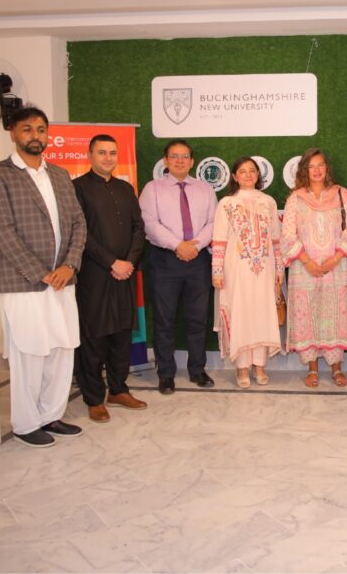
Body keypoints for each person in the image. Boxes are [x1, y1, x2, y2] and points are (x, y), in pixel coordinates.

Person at [0, 106, 87, 447]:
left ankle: (51, 415)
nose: (35, 136)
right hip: (23, 282)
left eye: (41, 130)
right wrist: (42, 273)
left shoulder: (60, 175)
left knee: (62, 348)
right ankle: (26, 424)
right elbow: (2, 230)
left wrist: (69, 266)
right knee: (29, 353)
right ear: (12, 132)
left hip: (63, 279)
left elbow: (78, 223)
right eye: (27, 129)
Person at [72, 134, 147, 422]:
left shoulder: (125, 188)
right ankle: (94, 398)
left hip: (125, 273)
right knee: (94, 337)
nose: (108, 157)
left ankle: (118, 390)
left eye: (112, 153)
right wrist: (111, 262)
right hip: (94, 275)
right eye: (102, 152)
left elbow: (138, 229)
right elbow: (81, 233)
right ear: (89, 155)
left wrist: (129, 262)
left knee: (121, 334)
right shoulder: (77, 188)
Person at [139, 139, 218, 394]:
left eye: (184, 156)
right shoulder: (152, 189)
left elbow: (214, 222)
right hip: (164, 261)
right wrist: (178, 246)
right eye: (174, 156)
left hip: (198, 260)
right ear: (165, 160)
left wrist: (195, 246)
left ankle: (197, 370)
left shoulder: (205, 189)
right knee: (164, 320)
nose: (180, 161)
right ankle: (166, 374)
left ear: (192, 161)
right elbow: (149, 223)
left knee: (198, 319)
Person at [282, 148, 347, 387]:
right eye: (311, 166)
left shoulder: (343, 195)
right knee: (308, 315)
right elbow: (288, 234)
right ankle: (312, 369)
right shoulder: (296, 198)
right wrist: (307, 261)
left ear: (327, 168)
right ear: (304, 170)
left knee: (335, 315)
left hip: (337, 268)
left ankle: (337, 368)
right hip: (304, 269)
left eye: (320, 165)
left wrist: (334, 259)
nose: (316, 170)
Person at [211, 157, 283, 388]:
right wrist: (217, 271)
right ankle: (242, 368)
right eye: (242, 171)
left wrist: (279, 267)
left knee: (262, 313)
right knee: (240, 313)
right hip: (236, 269)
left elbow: (276, 238)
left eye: (252, 170)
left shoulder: (268, 202)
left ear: (258, 175)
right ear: (234, 176)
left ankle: (260, 366)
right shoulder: (227, 204)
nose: (248, 175)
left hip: (264, 269)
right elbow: (219, 240)